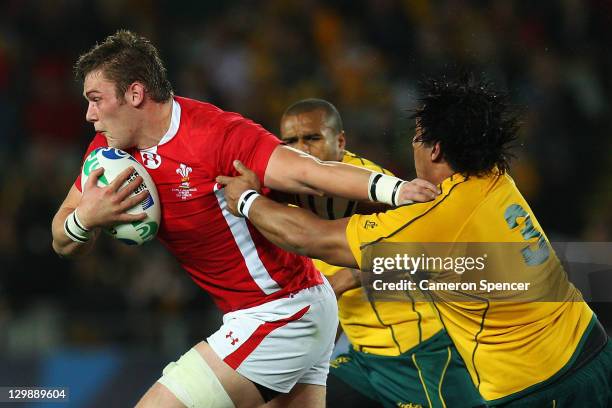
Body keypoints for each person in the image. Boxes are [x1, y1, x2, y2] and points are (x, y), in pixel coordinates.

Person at [50, 30, 439, 408]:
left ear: (135, 94)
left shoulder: (215, 134)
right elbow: (61, 238)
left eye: (96, 99)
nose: (89, 114)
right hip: (286, 311)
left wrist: (397, 190)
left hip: (282, 313)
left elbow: (308, 171)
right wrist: (85, 218)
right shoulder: (108, 149)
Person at [218, 74, 612, 407]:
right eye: (289, 142)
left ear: (436, 148)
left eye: (418, 137)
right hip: (590, 345)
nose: (300, 150)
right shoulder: (495, 177)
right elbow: (450, 270)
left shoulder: (425, 213)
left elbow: (313, 238)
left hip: (533, 383)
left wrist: (246, 201)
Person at [278, 98, 484, 408]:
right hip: (362, 357)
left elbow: (424, 249)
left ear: (340, 141)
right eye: (291, 141)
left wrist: (345, 280)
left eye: (313, 138)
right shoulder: (292, 192)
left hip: (419, 351)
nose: (302, 150)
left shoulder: (372, 188)